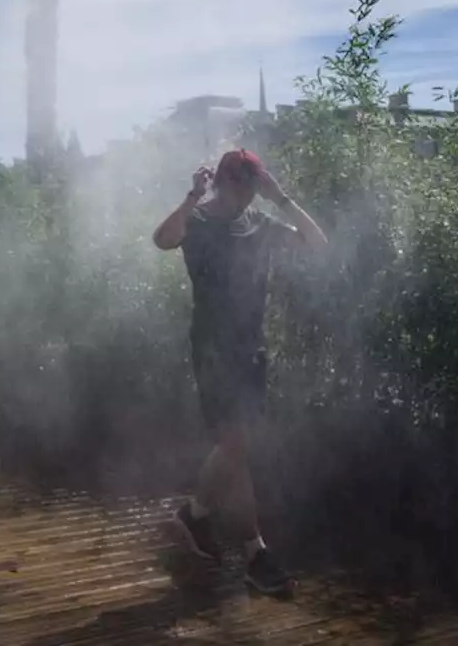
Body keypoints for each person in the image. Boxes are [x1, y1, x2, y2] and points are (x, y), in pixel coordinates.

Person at [152, 148, 327, 597]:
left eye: (253, 189)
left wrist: (281, 198)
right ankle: (254, 551)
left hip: (251, 351)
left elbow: (317, 243)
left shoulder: (262, 225)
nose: (246, 198)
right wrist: (192, 196)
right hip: (212, 350)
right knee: (235, 443)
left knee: (238, 449)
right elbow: (162, 239)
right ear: (222, 182)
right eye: (240, 187)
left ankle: (195, 514)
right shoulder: (201, 221)